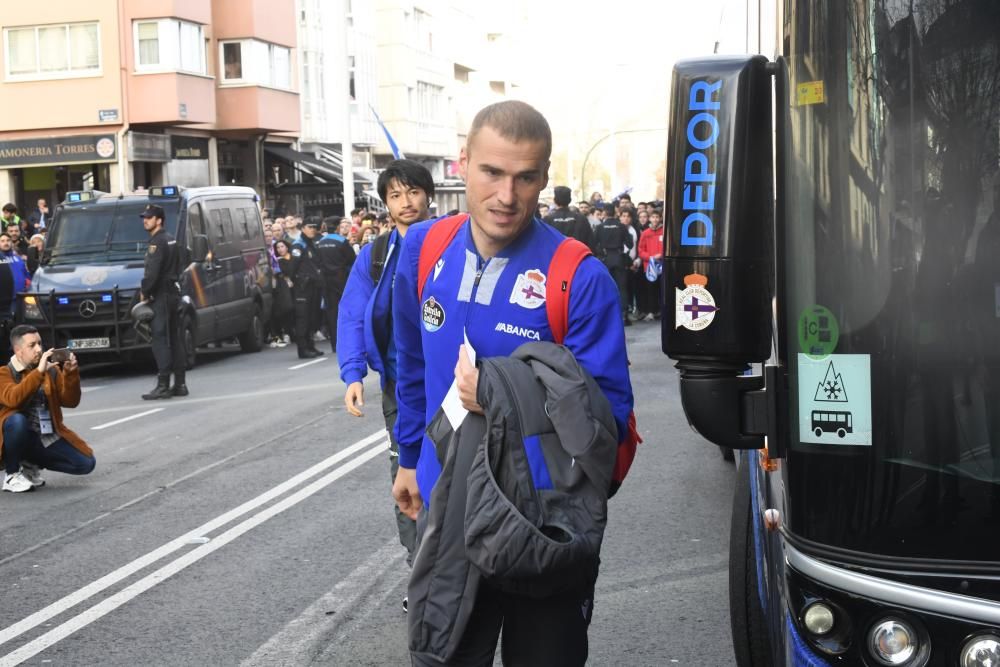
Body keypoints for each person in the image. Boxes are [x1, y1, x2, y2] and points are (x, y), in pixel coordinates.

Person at [392, 100, 633, 666]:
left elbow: (608, 426)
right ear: (463, 163)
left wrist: (500, 395)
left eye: (526, 177)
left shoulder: (578, 276)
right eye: (492, 173)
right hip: (447, 507)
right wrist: (409, 457)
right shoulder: (423, 251)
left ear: (545, 178)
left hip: (542, 524)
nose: (507, 196)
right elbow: (409, 366)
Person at [337, 159, 436, 603]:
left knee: (464, 473)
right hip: (400, 385)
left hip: (455, 383)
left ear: (428, 195)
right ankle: (422, 575)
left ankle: (465, 565)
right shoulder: (374, 255)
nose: (405, 202)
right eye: (395, 195)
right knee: (406, 475)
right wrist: (353, 372)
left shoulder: (453, 243)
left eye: (412, 192)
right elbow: (353, 313)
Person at [1, 325, 96, 493]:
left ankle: (30, 463)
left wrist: (70, 373)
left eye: (39, 343)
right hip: (16, 435)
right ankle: (12, 474)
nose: (38, 349)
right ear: (18, 350)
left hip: (44, 436)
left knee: (86, 463)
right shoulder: (5, 372)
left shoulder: (50, 371)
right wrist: (38, 372)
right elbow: (13, 398)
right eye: (32, 345)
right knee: (17, 421)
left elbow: (70, 401)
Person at [139, 204, 187, 400]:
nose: (145, 220)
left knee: (160, 339)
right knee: (175, 339)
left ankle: (163, 385)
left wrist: (145, 291)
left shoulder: (156, 242)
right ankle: (181, 383)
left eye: (149, 217)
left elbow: (153, 272)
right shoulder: (171, 239)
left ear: (159, 220)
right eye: (144, 217)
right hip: (173, 293)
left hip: (161, 295)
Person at [315, 216, 356, 353]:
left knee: (331, 313)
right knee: (346, 311)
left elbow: (317, 261)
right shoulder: (342, 242)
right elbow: (352, 261)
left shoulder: (320, 242)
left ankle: (335, 344)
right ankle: (347, 342)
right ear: (338, 227)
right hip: (341, 280)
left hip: (326, 281)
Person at [288, 218, 324, 359]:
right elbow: (292, 268)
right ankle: (303, 349)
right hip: (303, 287)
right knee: (303, 318)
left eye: (315, 227)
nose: (313, 229)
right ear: (303, 228)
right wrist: (298, 282)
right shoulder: (298, 245)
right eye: (310, 227)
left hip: (313, 286)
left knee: (311, 317)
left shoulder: (311, 243)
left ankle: (310, 346)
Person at [594, 204, 633, 325]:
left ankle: (607, 316)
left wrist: (601, 253)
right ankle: (624, 315)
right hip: (619, 257)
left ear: (605, 212)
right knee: (622, 287)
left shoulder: (600, 227)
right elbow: (630, 244)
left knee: (605, 287)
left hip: (606, 258)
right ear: (615, 212)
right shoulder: (621, 226)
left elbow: (594, 243)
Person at [544, 185, 596, 252]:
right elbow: (591, 242)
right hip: (577, 257)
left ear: (555, 200)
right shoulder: (581, 218)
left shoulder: (548, 220)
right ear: (570, 200)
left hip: (554, 258)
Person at [637, 209, 665, 319]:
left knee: (662, 289)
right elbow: (640, 250)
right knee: (650, 290)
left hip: (663, 265)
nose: (655, 219)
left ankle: (662, 311)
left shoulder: (664, 231)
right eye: (653, 217)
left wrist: (661, 255)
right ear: (649, 219)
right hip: (649, 266)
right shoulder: (645, 233)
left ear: (660, 218)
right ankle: (652, 312)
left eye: (657, 217)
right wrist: (650, 257)